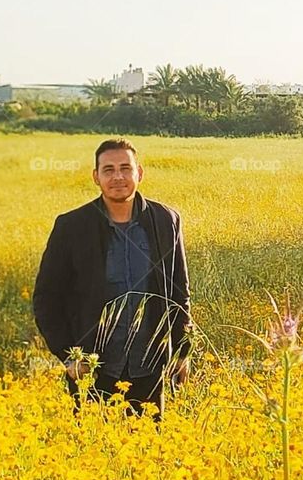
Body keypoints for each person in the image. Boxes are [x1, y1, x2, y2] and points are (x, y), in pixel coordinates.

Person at [32, 138, 193, 419]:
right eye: (108, 170)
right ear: (96, 177)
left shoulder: (166, 220)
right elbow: (47, 298)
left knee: (150, 454)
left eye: (125, 168)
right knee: (94, 456)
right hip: (93, 370)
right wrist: (69, 356)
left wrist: (182, 351)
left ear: (139, 173)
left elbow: (179, 293)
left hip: (150, 369)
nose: (117, 177)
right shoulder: (71, 226)